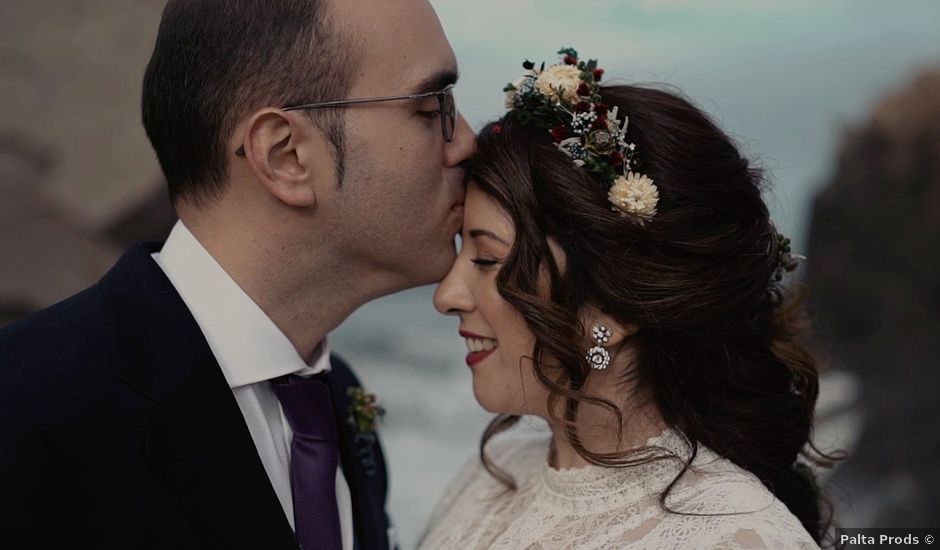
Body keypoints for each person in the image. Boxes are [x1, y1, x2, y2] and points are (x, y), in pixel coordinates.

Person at [0, 0, 474, 549]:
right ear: (286, 155)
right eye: (431, 105)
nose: (465, 141)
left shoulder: (339, 396)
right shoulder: (24, 408)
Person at [421, 48, 845, 549]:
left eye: (488, 261)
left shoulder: (732, 536)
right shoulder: (489, 479)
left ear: (615, 309)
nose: (446, 296)